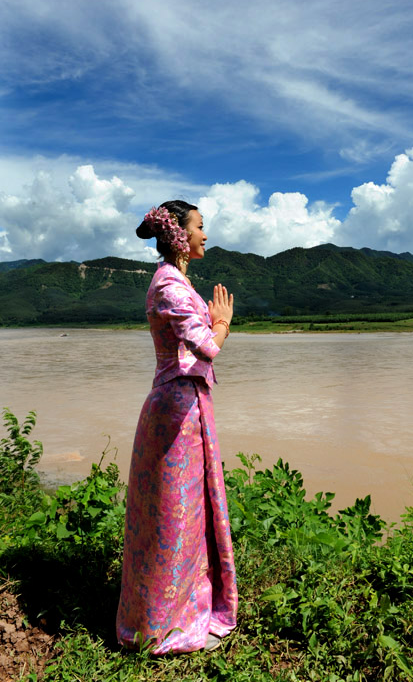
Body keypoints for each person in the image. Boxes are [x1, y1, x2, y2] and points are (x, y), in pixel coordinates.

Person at [116, 199, 238, 654]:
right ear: (180, 235)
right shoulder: (168, 284)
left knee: (184, 512)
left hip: (185, 405)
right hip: (176, 409)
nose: (206, 234)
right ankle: (162, 622)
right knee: (174, 515)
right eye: (201, 227)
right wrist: (223, 323)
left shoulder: (178, 282)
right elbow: (206, 347)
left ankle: (183, 608)